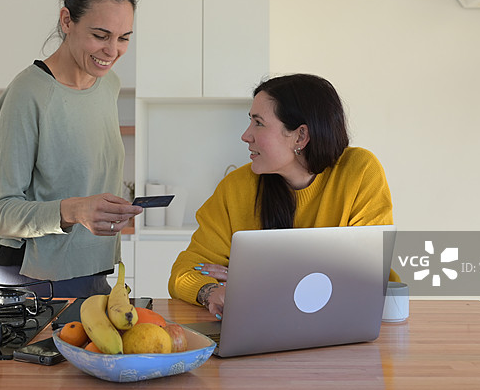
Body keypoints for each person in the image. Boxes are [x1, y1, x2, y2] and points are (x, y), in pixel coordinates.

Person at [168, 73, 397, 318]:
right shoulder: (236, 187)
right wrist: (210, 291)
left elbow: (366, 274)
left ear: (300, 136)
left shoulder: (359, 171)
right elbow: (183, 272)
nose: (246, 135)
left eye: (258, 123)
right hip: (268, 324)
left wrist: (253, 276)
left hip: (349, 323)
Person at [0, 0, 143, 298]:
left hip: (97, 276)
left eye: (123, 38)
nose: (112, 51)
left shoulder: (108, 85)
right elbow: (0, 213)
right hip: (32, 282)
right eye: (100, 36)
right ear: (67, 20)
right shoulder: (27, 94)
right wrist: (74, 211)